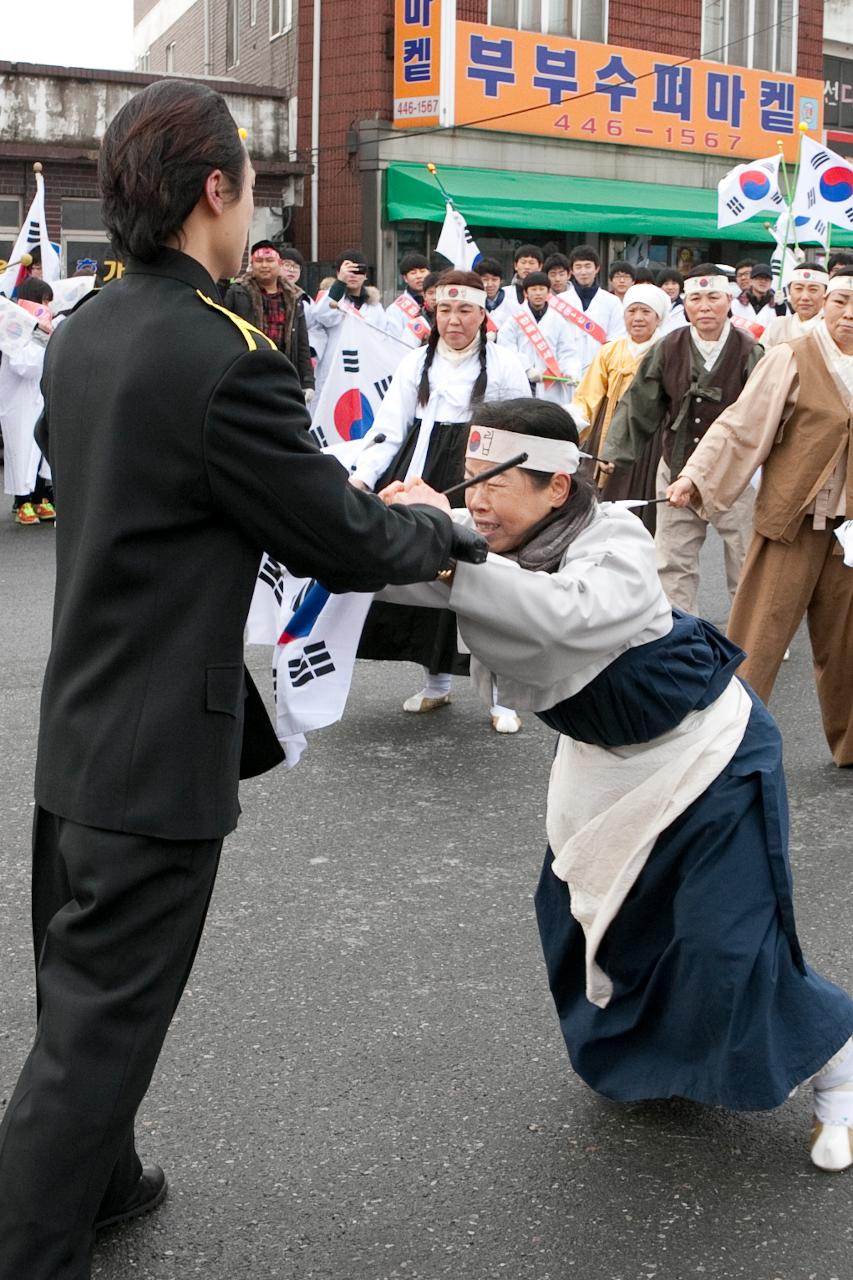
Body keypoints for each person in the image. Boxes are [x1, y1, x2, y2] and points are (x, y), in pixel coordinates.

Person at [0, 77, 476, 1280]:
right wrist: (440, 529)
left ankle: (104, 1185)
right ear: (216, 189)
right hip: (157, 750)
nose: (256, 203)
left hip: (80, 728)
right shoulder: (228, 354)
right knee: (96, 1034)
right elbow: (342, 535)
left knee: (81, 996)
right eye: (252, 184)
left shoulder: (88, 327)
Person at [379, 397, 853, 1174]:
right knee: (591, 923)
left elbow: (559, 614)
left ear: (557, 488)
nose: (475, 500)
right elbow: (390, 568)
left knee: (720, 938)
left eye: (493, 481)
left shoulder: (614, 543)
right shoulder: (479, 543)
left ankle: (834, 1062)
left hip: (708, 750)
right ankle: (660, 1059)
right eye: (464, 481)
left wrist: (445, 542)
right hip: (601, 760)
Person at [666, 270, 853, 767]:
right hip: (791, 521)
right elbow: (741, 427)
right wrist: (696, 477)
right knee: (759, 637)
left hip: (850, 532)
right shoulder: (792, 357)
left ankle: (851, 746)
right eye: (841, 301)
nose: (849, 314)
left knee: (848, 646)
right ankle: (725, 744)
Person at [350, 269, 531, 731]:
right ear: (434, 312)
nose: (454, 320)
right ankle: (436, 684)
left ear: (482, 314)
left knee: (486, 582)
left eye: (465, 310)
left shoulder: (506, 364)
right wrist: (361, 480)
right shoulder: (416, 363)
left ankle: (499, 694)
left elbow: (522, 430)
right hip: (422, 472)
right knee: (427, 579)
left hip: (482, 473)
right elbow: (387, 430)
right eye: (445, 310)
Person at [601, 265, 763, 613]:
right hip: (675, 465)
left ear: (729, 300)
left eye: (713, 298)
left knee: (746, 556)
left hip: (735, 473)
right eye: (696, 299)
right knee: (673, 557)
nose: (704, 306)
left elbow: (764, 415)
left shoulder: (750, 350)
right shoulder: (669, 347)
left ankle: (749, 631)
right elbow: (638, 403)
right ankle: (678, 628)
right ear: (684, 303)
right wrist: (614, 452)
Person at [571, 282, 668, 503]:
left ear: (658, 318)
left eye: (646, 311)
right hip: (608, 424)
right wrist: (575, 427)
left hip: (648, 430)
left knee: (641, 489)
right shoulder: (609, 351)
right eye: (632, 311)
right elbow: (589, 395)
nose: (638, 318)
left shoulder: (667, 349)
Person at [223, 240, 314, 399]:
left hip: (284, 372)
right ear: (252, 265)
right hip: (247, 373)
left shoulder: (294, 297)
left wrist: (307, 382)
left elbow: (302, 343)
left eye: (269, 260)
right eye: (259, 261)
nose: (264, 265)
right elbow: (223, 334)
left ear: (279, 264)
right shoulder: (237, 292)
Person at [0, 276, 55, 524]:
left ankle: (40, 496)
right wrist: (42, 339)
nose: (47, 306)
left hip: (39, 398)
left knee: (41, 449)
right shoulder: (15, 326)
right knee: (23, 450)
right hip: (19, 403)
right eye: (44, 300)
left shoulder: (41, 327)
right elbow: (26, 366)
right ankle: (22, 501)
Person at [497, 271, 581, 406]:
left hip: (551, 383)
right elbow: (507, 348)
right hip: (523, 380)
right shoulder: (515, 319)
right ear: (526, 293)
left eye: (542, 289)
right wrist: (527, 368)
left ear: (548, 292)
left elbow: (567, 351)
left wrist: (570, 372)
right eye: (533, 289)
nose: (538, 293)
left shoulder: (558, 320)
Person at [561, 244, 625, 377]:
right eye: (578, 267)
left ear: (597, 269)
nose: (583, 272)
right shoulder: (560, 302)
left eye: (588, 266)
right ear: (571, 271)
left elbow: (617, 337)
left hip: (600, 371)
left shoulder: (612, 302)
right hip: (564, 373)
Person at [762, 262, 828, 347]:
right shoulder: (777, 326)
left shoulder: (832, 329)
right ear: (789, 292)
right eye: (798, 289)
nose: (805, 297)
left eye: (813, 290)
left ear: (826, 294)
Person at [385, 251, 431, 347]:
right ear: (405, 278)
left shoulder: (440, 302)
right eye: (413, 273)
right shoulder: (395, 309)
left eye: (423, 271)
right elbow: (394, 342)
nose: (419, 276)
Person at [730, 261, 778, 338]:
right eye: (759, 278)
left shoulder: (778, 306)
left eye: (767, 279)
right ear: (751, 281)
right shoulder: (735, 304)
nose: (763, 282)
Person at [475, 256, 515, 332]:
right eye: (485, 279)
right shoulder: (472, 305)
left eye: (494, 279)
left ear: (501, 281)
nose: (490, 284)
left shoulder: (513, 307)